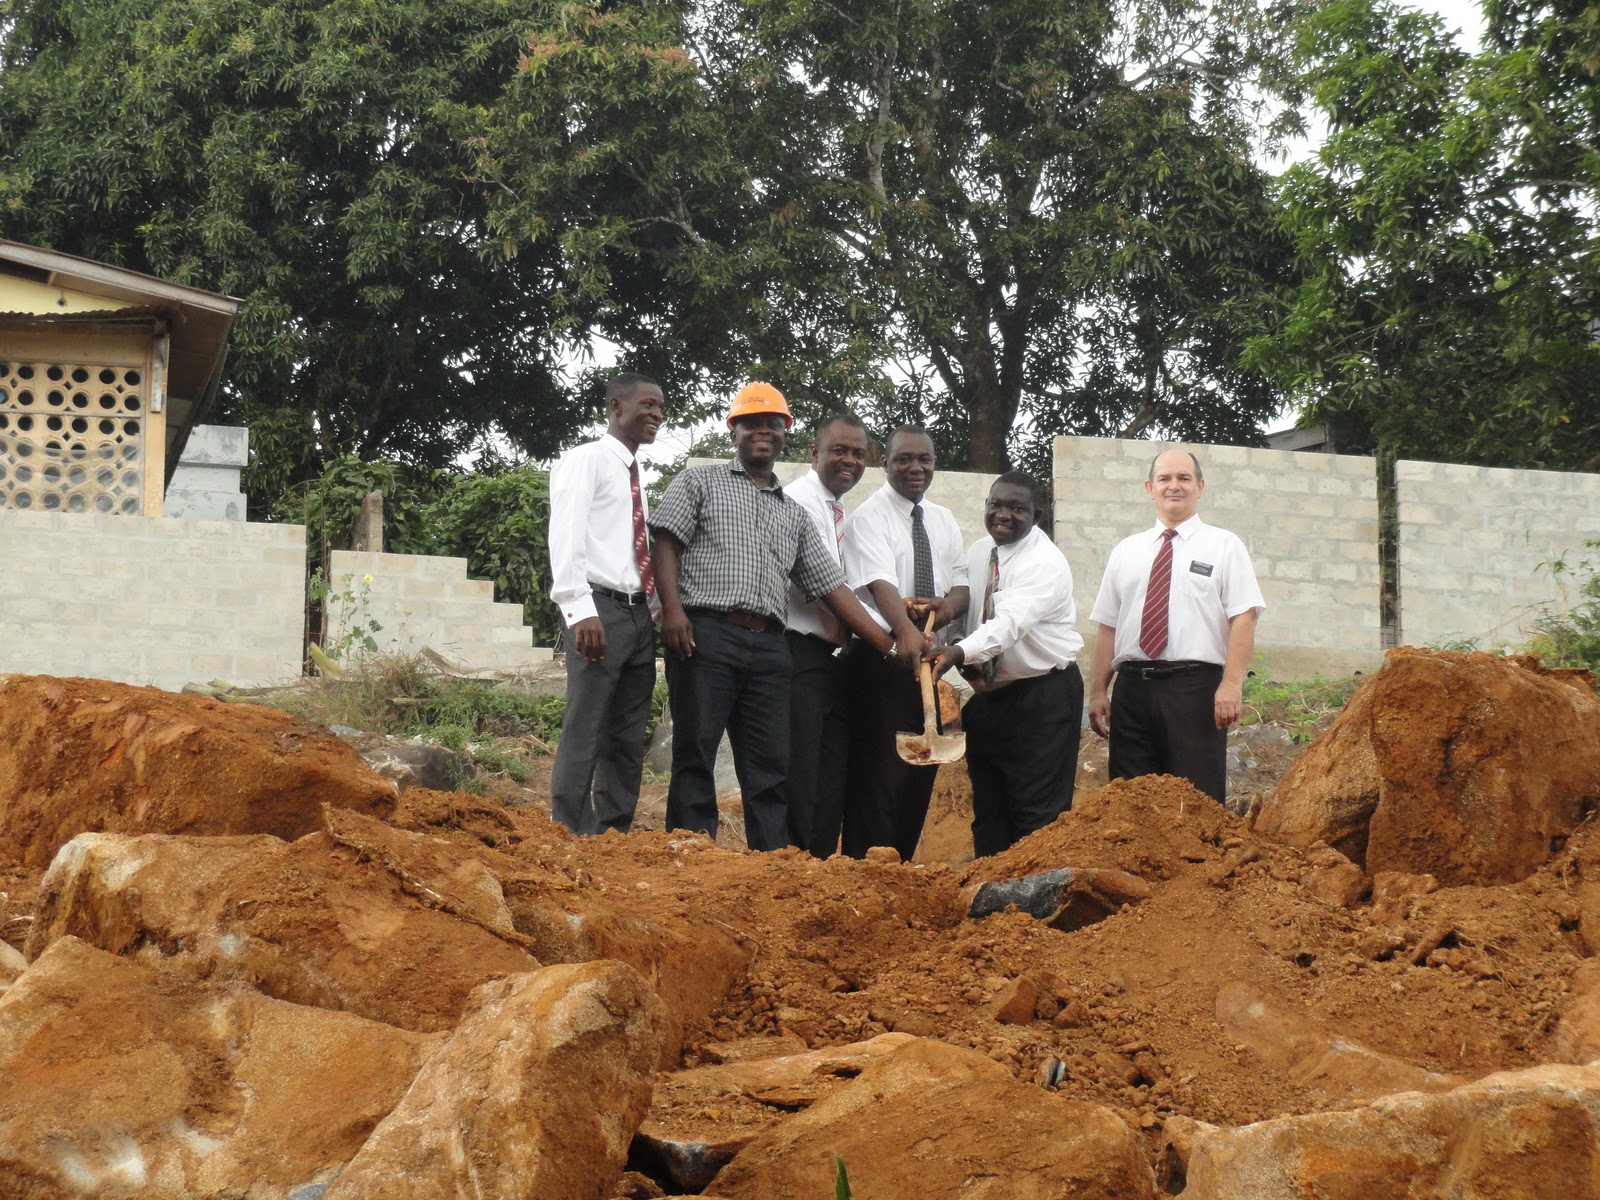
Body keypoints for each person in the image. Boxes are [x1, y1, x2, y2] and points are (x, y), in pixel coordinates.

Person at [649, 383, 911, 851]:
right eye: (752, 423)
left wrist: (890, 646)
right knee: (695, 754)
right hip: (706, 634)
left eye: (773, 424)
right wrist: (671, 612)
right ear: (734, 430)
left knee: (769, 769)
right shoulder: (699, 482)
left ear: (785, 433)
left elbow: (833, 588)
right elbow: (665, 542)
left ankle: (772, 867)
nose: (763, 431)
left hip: (770, 649)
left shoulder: (793, 514)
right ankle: (691, 859)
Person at [1086, 447, 1265, 804]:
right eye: (1164, 479)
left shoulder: (1224, 546)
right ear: (1149, 488)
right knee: (1130, 800)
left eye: (1184, 478)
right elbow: (1108, 627)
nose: (1174, 486)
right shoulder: (1126, 551)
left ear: (1200, 486)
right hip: (1133, 690)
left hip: (1196, 691)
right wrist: (1097, 691)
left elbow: (1244, 616)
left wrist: (1231, 684)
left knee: (1195, 800)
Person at [926, 471, 1084, 857]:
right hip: (991, 697)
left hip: (1043, 698)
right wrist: (941, 638)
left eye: (1017, 508)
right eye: (996, 504)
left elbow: (1007, 625)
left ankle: (1031, 912)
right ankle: (990, 909)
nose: (1003, 514)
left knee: (1036, 816)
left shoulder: (1044, 562)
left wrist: (957, 654)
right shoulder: (982, 552)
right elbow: (971, 617)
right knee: (989, 811)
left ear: (1037, 514)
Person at [841, 427, 969, 861]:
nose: (916, 468)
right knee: (879, 779)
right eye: (904, 460)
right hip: (884, 664)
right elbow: (881, 587)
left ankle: (901, 870)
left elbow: (962, 589)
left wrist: (942, 609)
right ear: (886, 464)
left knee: (919, 779)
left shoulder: (943, 519)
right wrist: (907, 634)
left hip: (927, 667)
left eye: (925, 460)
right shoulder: (869, 518)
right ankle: (866, 873)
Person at [546, 371, 665, 835]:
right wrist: (579, 608)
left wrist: (652, 610)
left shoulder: (634, 473)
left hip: (637, 612)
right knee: (587, 722)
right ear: (616, 407)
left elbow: (630, 547)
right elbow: (567, 534)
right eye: (647, 405)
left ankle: (613, 831)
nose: (656, 414)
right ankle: (569, 828)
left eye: (660, 407)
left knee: (629, 730)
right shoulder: (586, 460)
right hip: (599, 607)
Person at [783, 412, 871, 857]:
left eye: (858, 453)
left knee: (830, 769)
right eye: (839, 450)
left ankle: (817, 866)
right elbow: (828, 588)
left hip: (827, 659)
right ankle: (794, 867)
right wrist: (890, 643)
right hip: (796, 651)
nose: (850, 461)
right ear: (814, 452)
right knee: (801, 772)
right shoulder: (798, 502)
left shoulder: (836, 510)